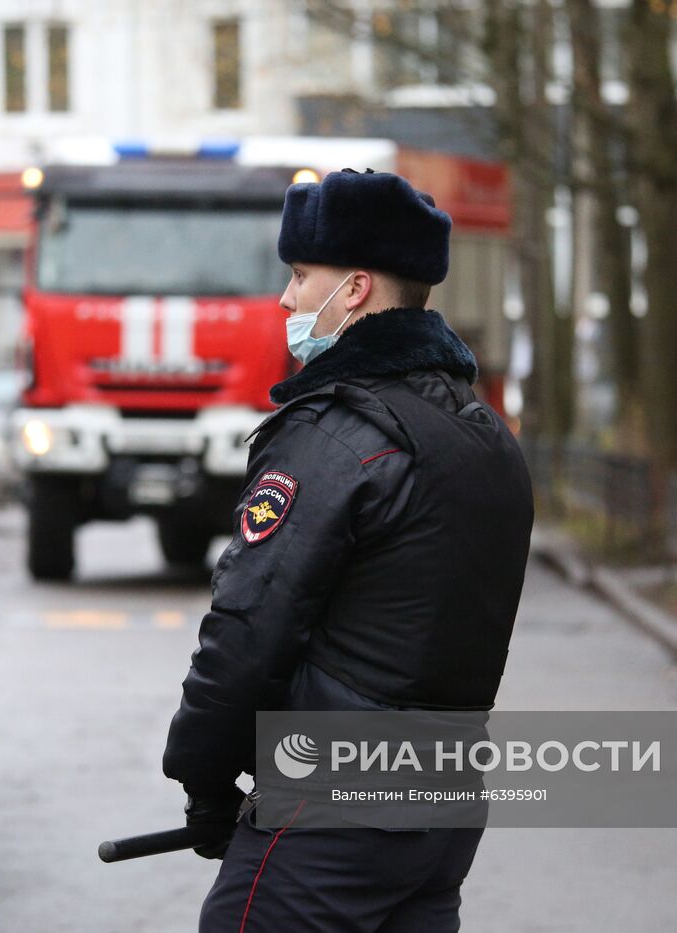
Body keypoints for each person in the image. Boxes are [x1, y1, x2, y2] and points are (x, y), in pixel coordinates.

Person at [162, 168, 534, 931]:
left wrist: (201, 775)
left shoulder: (336, 436)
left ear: (356, 288)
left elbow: (248, 627)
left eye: (301, 276)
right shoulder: (484, 434)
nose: (286, 298)